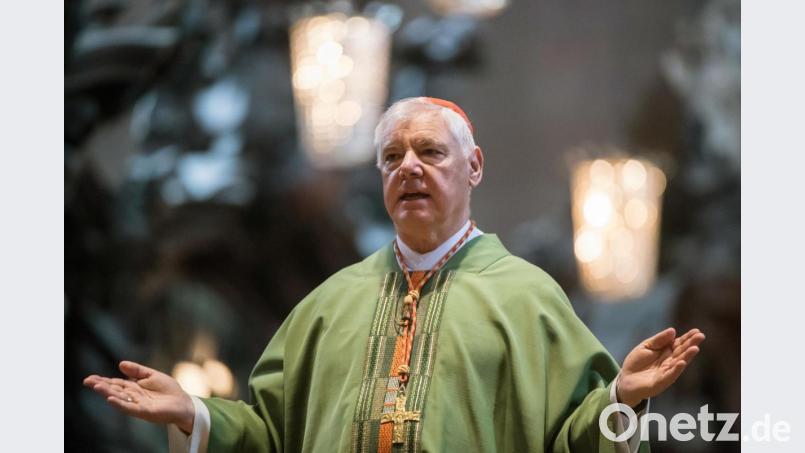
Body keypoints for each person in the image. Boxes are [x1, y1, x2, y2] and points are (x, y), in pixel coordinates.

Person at [85, 97, 705, 453]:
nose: (408, 167)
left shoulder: (529, 299)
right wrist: (194, 413)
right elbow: (269, 435)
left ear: (474, 167)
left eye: (430, 152)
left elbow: (576, 439)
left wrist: (621, 399)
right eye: (391, 157)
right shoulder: (330, 303)